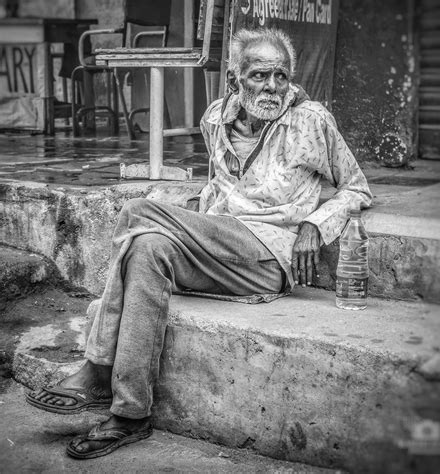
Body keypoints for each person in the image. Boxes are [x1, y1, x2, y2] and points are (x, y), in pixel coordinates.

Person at [26, 28, 372, 459]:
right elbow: (218, 188)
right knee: (147, 245)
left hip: (268, 253)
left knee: (138, 212)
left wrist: (315, 225)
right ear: (235, 78)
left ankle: (98, 364)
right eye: (260, 75)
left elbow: (356, 187)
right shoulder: (215, 118)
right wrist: (193, 219)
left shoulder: (311, 120)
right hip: (217, 246)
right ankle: (131, 413)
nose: (271, 87)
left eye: (280, 76)